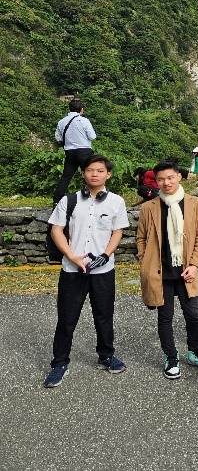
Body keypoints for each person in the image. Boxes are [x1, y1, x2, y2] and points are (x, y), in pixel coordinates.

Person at [43, 154, 129, 388]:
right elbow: (56, 230)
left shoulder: (116, 202)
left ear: (108, 175)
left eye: (100, 171)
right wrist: (71, 256)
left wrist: (105, 255)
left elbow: (118, 231)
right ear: (83, 173)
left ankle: (106, 355)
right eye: (90, 170)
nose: (94, 174)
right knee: (67, 318)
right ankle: (59, 363)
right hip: (72, 269)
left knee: (104, 315)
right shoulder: (69, 200)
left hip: (103, 270)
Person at [136, 159, 198, 379]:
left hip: (186, 269)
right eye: (161, 179)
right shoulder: (149, 207)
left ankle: (194, 351)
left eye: (170, 177)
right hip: (160, 271)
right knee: (165, 317)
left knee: (194, 315)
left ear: (179, 176)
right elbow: (141, 238)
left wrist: (195, 265)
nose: (166, 183)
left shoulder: (195, 203)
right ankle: (171, 356)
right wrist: (145, 262)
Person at [53, 99, 96, 204]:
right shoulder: (84, 120)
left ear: (69, 109)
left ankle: (57, 200)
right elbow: (92, 136)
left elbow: (58, 138)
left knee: (66, 176)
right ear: (81, 110)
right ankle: (90, 198)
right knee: (89, 174)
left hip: (70, 151)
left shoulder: (62, 121)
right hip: (84, 151)